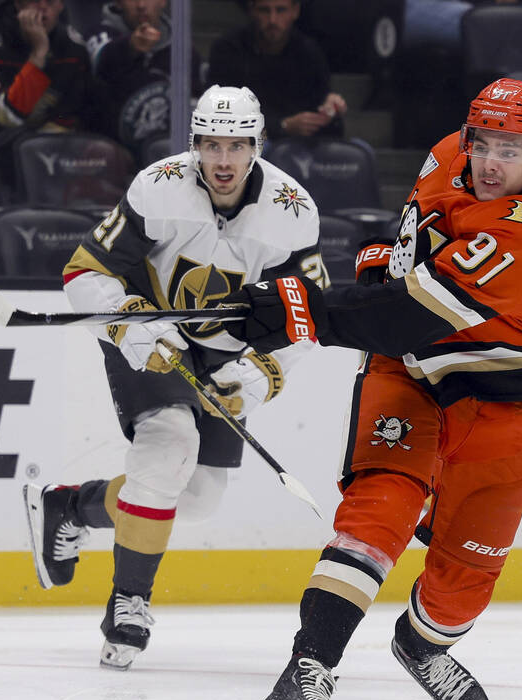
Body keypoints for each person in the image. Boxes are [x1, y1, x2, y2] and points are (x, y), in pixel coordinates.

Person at [218, 78, 522, 700]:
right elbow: (412, 251)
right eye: (485, 144)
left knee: (463, 585)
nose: (491, 162)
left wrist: (296, 309)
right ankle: (305, 678)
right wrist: (383, 265)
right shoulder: (449, 155)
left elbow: (409, 310)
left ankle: (421, 642)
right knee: (375, 514)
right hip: (410, 372)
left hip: (500, 400)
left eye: (513, 148)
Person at [23, 85, 327, 670]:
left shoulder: (293, 212)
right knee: (169, 447)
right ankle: (128, 603)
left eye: (236, 146)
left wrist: (259, 376)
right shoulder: (157, 187)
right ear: (194, 144)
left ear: (256, 146)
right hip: (148, 331)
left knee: (196, 497)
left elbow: (306, 315)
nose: (222, 160)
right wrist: (136, 331)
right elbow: (83, 272)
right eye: (210, 144)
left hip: (226, 352)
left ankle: (71, 508)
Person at [0, 0, 103, 136]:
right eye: (34, 0)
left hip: (47, 152)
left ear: (61, 5)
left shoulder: (73, 49)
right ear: (18, 4)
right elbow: (3, 119)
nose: (43, 6)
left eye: (51, 1)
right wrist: (38, 56)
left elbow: (75, 119)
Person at [83, 0, 204, 161]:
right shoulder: (100, 34)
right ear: (119, 3)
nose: (141, 5)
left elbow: (195, 101)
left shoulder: (181, 46)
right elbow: (101, 64)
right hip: (111, 155)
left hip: (165, 154)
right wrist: (129, 47)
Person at [207, 0, 347, 139]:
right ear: (251, 11)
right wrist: (282, 126)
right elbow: (221, 115)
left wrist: (330, 109)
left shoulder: (309, 52)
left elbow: (322, 108)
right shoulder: (228, 50)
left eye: (281, 10)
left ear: (295, 11)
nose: (273, 20)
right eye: (264, 11)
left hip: (301, 148)